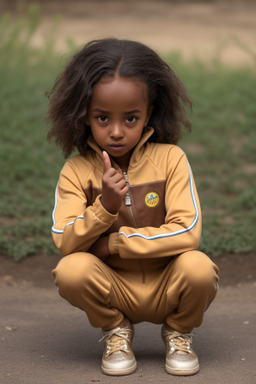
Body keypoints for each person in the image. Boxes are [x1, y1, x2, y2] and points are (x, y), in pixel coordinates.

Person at [46, 38, 219, 377]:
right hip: (114, 286)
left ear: (149, 113)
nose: (115, 132)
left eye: (130, 118)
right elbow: (65, 241)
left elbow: (188, 232)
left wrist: (114, 243)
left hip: (167, 282)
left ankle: (179, 332)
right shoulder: (76, 171)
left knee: (199, 267)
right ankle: (115, 330)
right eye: (102, 117)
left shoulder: (171, 159)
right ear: (82, 115)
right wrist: (104, 207)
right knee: (71, 269)